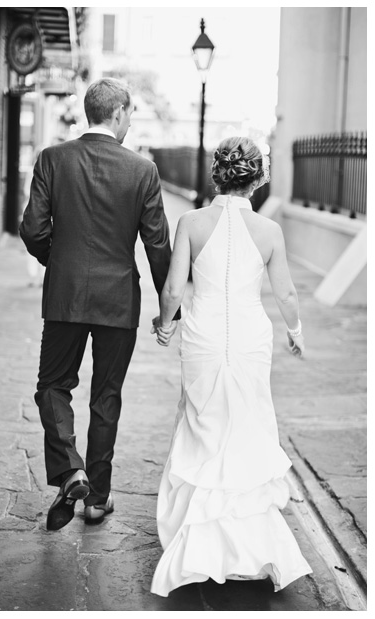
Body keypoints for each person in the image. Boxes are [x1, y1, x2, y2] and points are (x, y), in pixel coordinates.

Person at [150, 137, 311, 596]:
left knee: (203, 423)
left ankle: (197, 545)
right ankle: (251, 547)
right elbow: (286, 295)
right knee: (247, 423)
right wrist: (296, 331)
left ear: (217, 175)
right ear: (258, 179)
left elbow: (174, 290)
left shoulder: (191, 222)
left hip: (202, 335)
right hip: (249, 337)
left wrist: (165, 326)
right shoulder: (269, 231)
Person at [18, 77, 177, 531]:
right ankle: (96, 498)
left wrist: (60, 261)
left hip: (65, 296)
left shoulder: (51, 159)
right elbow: (157, 246)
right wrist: (171, 308)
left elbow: (33, 230)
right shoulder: (142, 170)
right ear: (120, 112)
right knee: (106, 397)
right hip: (118, 300)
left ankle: (72, 470)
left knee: (52, 386)